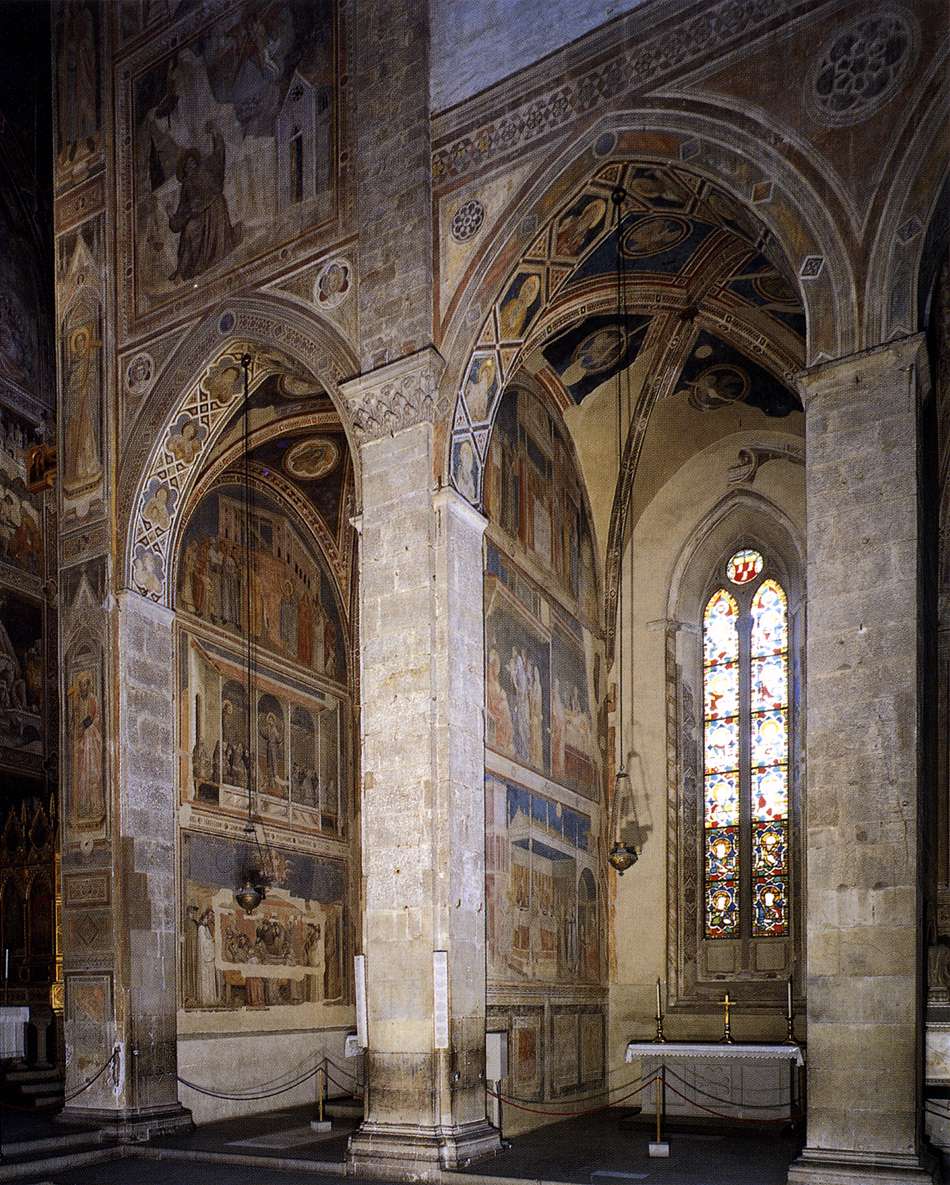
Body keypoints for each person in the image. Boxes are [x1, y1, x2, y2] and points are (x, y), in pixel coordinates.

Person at [168, 124, 238, 282]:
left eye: (192, 162)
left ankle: (207, 261)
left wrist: (216, 134)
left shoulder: (206, 169)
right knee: (188, 232)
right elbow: (183, 208)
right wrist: (172, 216)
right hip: (197, 214)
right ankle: (181, 271)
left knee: (194, 230)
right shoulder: (186, 184)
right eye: (187, 165)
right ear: (185, 169)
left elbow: (219, 156)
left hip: (214, 207)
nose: (190, 165)